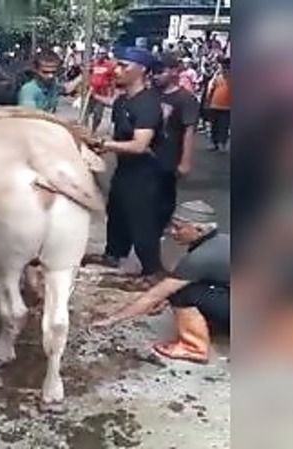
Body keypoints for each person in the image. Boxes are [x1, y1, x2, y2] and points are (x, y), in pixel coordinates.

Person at [92, 201, 230, 363]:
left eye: (178, 228)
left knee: (181, 293)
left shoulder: (201, 257)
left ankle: (193, 347)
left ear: (198, 230)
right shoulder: (222, 241)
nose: (172, 231)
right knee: (189, 286)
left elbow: (155, 295)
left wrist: (112, 319)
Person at [88, 47, 166, 289]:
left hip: (146, 173)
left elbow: (140, 145)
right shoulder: (123, 101)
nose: (117, 70)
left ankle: (153, 271)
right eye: (117, 65)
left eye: (124, 66)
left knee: (141, 220)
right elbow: (120, 134)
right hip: (126, 168)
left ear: (142, 70)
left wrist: (104, 144)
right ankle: (113, 254)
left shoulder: (148, 104)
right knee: (117, 211)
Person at [152, 53, 199, 234]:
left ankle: (162, 226)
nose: (155, 75)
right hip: (147, 153)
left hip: (169, 156)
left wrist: (185, 161)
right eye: (154, 72)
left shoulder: (185, 99)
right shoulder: (151, 94)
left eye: (160, 71)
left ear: (174, 71)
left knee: (164, 194)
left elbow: (189, 131)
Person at [17, 51, 83, 113]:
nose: (50, 76)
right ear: (35, 70)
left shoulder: (53, 85)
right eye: (45, 72)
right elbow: (30, 116)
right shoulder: (28, 91)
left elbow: (66, 89)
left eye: (53, 72)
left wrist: (82, 76)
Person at [86, 48, 116, 133]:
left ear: (105, 55)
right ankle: (84, 128)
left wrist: (111, 93)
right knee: (86, 112)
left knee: (98, 114)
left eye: (103, 53)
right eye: (99, 53)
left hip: (101, 94)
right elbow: (88, 74)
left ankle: (93, 130)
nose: (100, 55)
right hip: (91, 92)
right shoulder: (94, 64)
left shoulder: (109, 66)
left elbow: (112, 80)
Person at [206, 57, 231, 152]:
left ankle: (222, 143)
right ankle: (214, 142)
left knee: (224, 126)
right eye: (223, 67)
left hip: (227, 107)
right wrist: (208, 101)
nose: (225, 70)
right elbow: (211, 90)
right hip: (214, 105)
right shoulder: (217, 77)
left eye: (227, 68)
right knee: (214, 125)